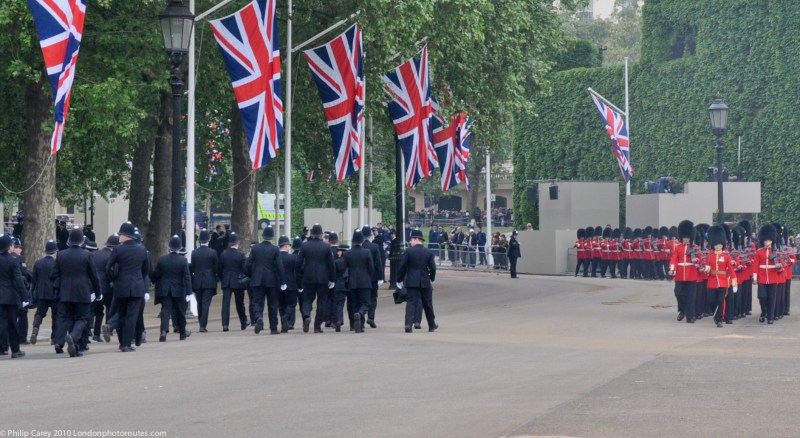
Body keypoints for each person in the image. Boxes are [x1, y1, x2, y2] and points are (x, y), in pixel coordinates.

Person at [51, 228, 100, 357]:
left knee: (67, 318)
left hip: (65, 291)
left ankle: (67, 345)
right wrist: (98, 292)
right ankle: (73, 337)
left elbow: (53, 274)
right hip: (82, 291)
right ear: (81, 240)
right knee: (82, 318)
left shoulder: (61, 254)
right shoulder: (87, 255)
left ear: (69, 240)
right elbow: (94, 276)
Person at [105, 222, 149, 352]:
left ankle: (120, 339)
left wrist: (114, 279)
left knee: (121, 313)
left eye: (120, 234)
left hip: (121, 286)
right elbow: (145, 269)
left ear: (126, 236)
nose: (119, 237)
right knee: (132, 316)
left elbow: (108, 267)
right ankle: (126, 344)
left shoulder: (118, 249)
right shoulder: (142, 250)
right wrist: (139, 279)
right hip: (137, 286)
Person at [244, 226, 286, 335]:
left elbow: (247, 264)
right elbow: (279, 266)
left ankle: (258, 317)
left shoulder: (255, 248)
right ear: (272, 237)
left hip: (257, 279)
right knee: (273, 304)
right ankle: (273, 328)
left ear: (263, 236)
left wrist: (251, 275)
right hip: (272, 280)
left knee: (257, 302)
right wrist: (283, 281)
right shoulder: (275, 249)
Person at [150, 235, 192, 341]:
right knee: (180, 311)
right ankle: (182, 332)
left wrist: (153, 279)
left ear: (169, 247)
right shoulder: (183, 261)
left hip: (165, 289)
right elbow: (187, 277)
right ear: (179, 248)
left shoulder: (162, 259)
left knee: (165, 311)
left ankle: (163, 331)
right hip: (178, 289)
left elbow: (157, 274)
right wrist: (189, 292)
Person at [295, 224, 334, 333]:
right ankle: (317, 326)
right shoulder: (326, 247)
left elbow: (298, 262)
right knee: (322, 302)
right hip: (323, 278)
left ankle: (307, 315)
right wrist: (332, 278)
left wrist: (299, 275)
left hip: (308, 276)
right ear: (321, 234)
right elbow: (331, 264)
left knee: (307, 299)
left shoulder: (305, 246)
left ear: (311, 234)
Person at [397, 229, 437, 333]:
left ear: (416, 239)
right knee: (428, 303)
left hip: (411, 280)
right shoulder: (428, 252)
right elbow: (433, 267)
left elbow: (402, 267)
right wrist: (432, 278)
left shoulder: (409, 251)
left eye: (411, 239)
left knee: (411, 302)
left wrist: (399, 280)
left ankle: (408, 324)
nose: (410, 241)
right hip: (424, 280)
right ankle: (431, 325)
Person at [0, 234, 29, 358]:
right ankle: (15, 349)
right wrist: (25, 297)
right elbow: (18, 280)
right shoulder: (13, 260)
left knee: (1, 323)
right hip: (11, 295)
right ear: (8, 247)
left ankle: (2, 348)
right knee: (12, 323)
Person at [703, 226, 737, 328]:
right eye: (716, 245)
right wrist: (706, 270)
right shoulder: (709, 256)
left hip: (723, 282)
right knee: (711, 301)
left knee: (721, 301)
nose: (718, 246)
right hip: (712, 281)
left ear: (722, 245)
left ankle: (719, 320)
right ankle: (715, 315)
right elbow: (707, 267)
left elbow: (731, 271)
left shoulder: (726, 256)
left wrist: (734, 284)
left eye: (720, 244)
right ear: (713, 245)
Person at [668, 220, 700, 323]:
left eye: (687, 238)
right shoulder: (678, 248)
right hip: (680, 275)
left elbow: (700, 259)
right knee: (678, 293)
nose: (686, 239)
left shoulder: (695, 248)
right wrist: (672, 269)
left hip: (691, 275)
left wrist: (697, 260)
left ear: (690, 237)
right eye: (684, 238)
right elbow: (674, 259)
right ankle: (682, 310)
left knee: (691, 296)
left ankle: (690, 316)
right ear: (682, 237)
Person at [30, 240, 58, 346]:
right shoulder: (56, 263)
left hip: (42, 292)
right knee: (56, 316)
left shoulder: (38, 263)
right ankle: (54, 338)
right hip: (54, 294)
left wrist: (33, 293)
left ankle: (35, 327)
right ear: (55, 251)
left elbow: (34, 280)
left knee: (39, 313)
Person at [218, 232, 248, 332]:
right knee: (240, 303)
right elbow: (244, 269)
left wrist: (223, 279)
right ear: (237, 243)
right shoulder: (241, 255)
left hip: (226, 281)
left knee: (225, 304)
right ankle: (243, 322)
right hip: (238, 282)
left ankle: (225, 325)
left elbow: (219, 269)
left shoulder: (223, 254)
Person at [344, 230, 373, 333]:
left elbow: (345, 267)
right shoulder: (366, 252)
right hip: (365, 281)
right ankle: (360, 314)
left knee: (354, 304)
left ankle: (358, 326)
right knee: (366, 303)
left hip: (352, 282)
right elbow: (371, 268)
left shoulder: (348, 253)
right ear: (361, 240)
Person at [190, 229, 219, 333]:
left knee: (199, 303)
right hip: (209, 280)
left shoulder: (194, 252)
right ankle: (202, 324)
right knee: (205, 303)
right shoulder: (212, 252)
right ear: (209, 239)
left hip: (198, 280)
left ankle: (200, 322)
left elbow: (192, 267)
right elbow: (216, 268)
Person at [361, 225, 384, 328]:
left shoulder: (359, 247)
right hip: (373, 277)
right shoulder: (374, 247)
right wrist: (381, 277)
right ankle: (371, 317)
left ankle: (361, 318)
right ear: (370, 236)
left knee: (362, 298)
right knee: (373, 297)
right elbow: (378, 263)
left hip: (361, 277)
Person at [278, 235, 298, 333]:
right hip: (291, 284)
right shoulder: (293, 257)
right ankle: (286, 317)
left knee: (281, 305)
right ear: (286, 246)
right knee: (291, 304)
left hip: (278, 284)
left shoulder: (276, 258)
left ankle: (283, 322)